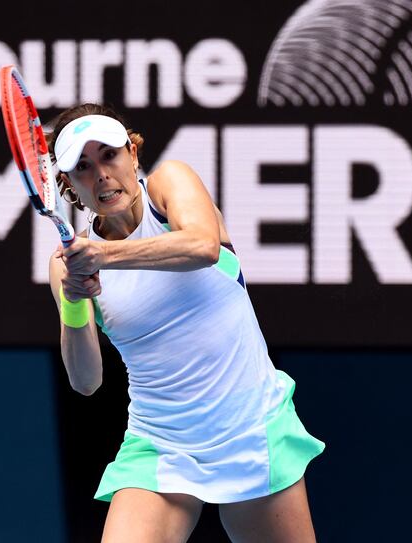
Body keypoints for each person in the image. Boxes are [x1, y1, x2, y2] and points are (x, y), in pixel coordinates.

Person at [46, 103, 325, 543]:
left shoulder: (168, 184)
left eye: (109, 155)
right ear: (68, 185)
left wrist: (106, 257)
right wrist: (75, 300)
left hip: (250, 426)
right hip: (161, 444)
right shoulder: (67, 266)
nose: (100, 173)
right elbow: (86, 381)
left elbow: (201, 246)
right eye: (82, 166)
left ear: (133, 153)